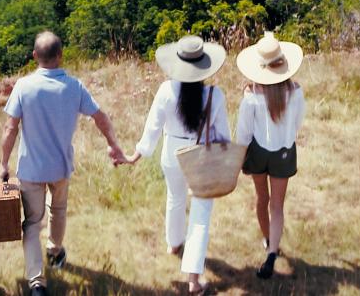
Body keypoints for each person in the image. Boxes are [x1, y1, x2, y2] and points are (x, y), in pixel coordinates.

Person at [0, 31, 125, 296]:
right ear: (61, 55)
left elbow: (10, 129)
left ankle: (36, 282)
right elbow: (100, 117)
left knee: (32, 223)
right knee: (58, 209)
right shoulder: (74, 86)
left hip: (31, 168)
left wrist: (3, 164)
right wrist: (113, 144)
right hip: (61, 166)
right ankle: (55, 252)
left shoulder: (23, 86)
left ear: (34, 56)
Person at [122, 35, 230, 296]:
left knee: (175, 198)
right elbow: (224, 137)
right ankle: (193, 279)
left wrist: (137, 154)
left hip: (172, 152)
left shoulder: (165, 91)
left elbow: (152, 129)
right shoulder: (214, 96)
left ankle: (174, 243)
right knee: (201, 216)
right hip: (200, 153)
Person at [235, 31, 305, 280]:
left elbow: (243, 134)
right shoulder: (296, 92)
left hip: (257, 152)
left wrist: (237, 160)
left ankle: (267, 240)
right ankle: (273, 252)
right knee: (277, 205)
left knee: (261, 198)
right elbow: (297, 124)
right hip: (284, 151)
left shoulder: (251, 96)